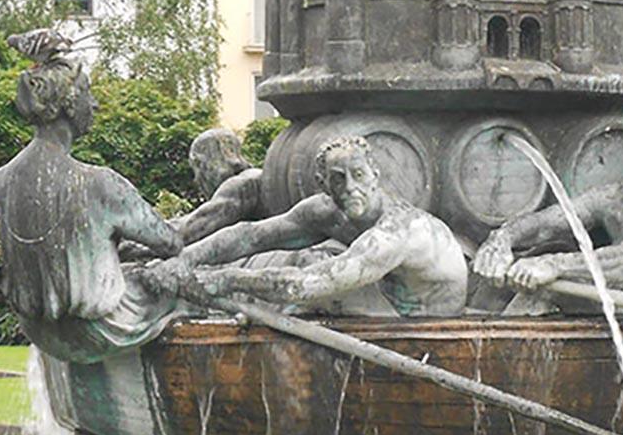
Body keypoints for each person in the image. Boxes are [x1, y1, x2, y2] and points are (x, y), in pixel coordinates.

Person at [0, 46, 185, 363]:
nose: (93, 104)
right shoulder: (100, 183)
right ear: (68, 104)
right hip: (102, 327)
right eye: (87, 94)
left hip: (42, 332)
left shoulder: (2, 180)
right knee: (182, 274)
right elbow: (169, 242)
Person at [159, 135, 467, 317]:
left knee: (307, 281)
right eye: (338, 178)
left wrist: (226, 280)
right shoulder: (327, 211)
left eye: (358, 175)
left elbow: (301, 286)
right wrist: (181, 261)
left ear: (375, 174)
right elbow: (249, 236)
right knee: (311, 262)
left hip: (436, 325)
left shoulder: (398, 230)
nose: (350, 187)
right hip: (389, 312)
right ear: (324, 184)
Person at [473, 97, 623, 309]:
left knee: (545, 284)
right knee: (525, 290)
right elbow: (548, 223)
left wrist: (554, 264)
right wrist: (503, 238)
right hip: (616, 306)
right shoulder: (612, 197)